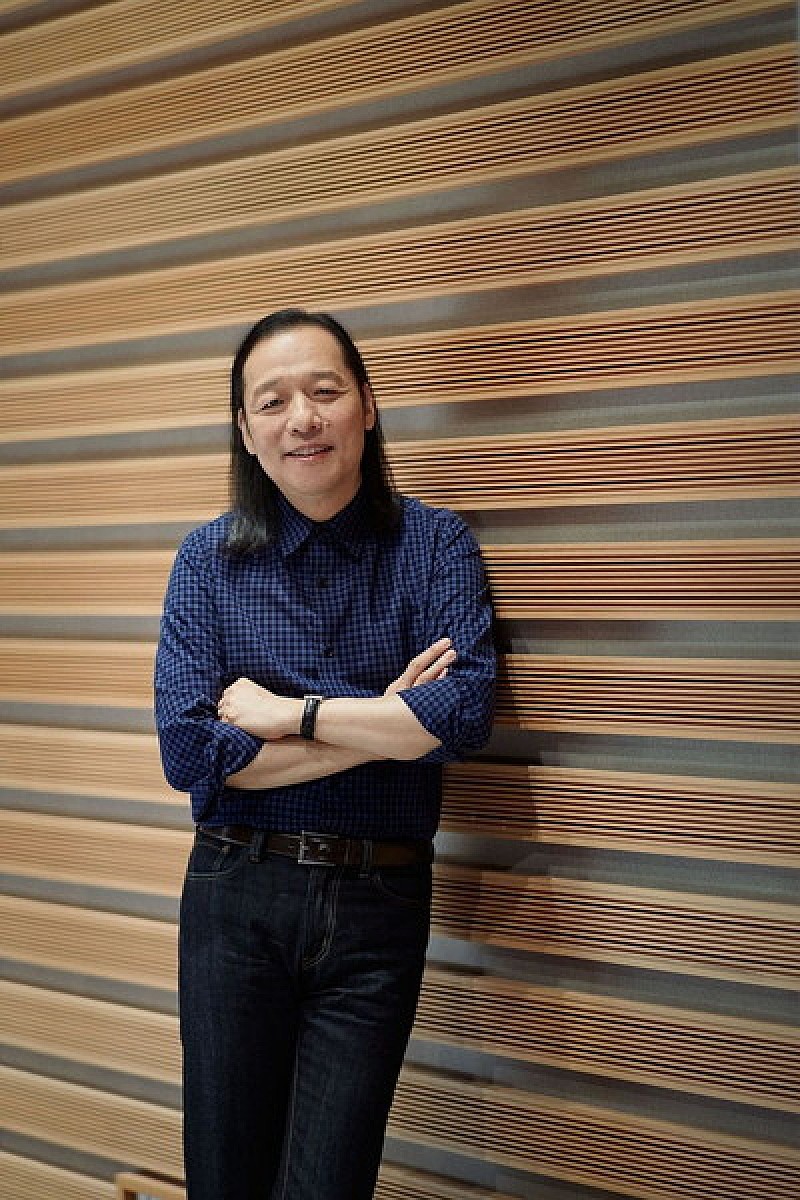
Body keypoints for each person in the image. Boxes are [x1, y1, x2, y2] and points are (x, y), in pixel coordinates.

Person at [153, 308, 496, 1200]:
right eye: (272, 402)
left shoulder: (435, 546)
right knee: (225, 1178)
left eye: (325, 391)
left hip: (380, 904)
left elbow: (461, 716)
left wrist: (289, 715)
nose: (301, 418)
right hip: (236, 896)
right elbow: (191, 752)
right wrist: (385, 721)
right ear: (246, 430)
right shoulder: (207, 561)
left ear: (368, 407)